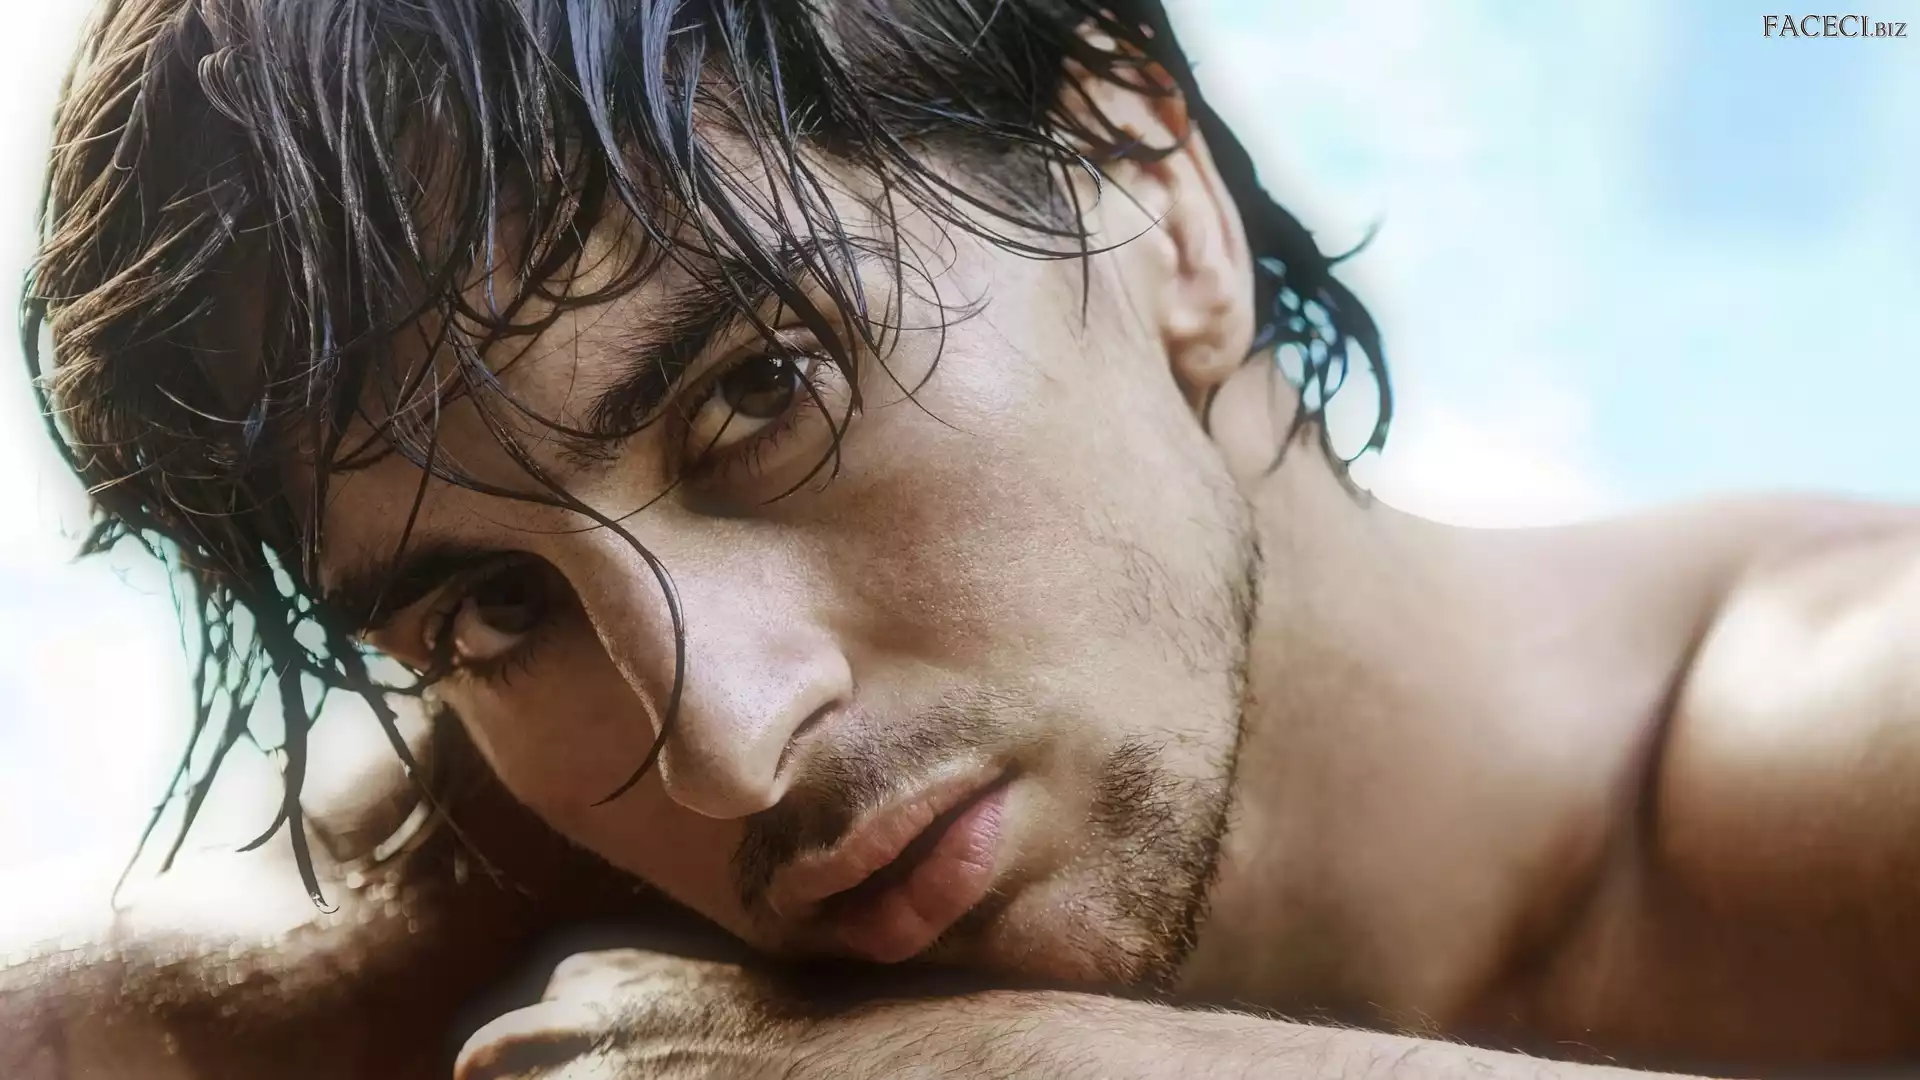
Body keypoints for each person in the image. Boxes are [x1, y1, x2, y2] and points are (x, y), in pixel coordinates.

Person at [2, 0, 1916, 1077]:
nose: (730, 746)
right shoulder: (546, 853)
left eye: (759, 392)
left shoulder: (1847, 735)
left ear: (1149, 187)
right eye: (493, 606)